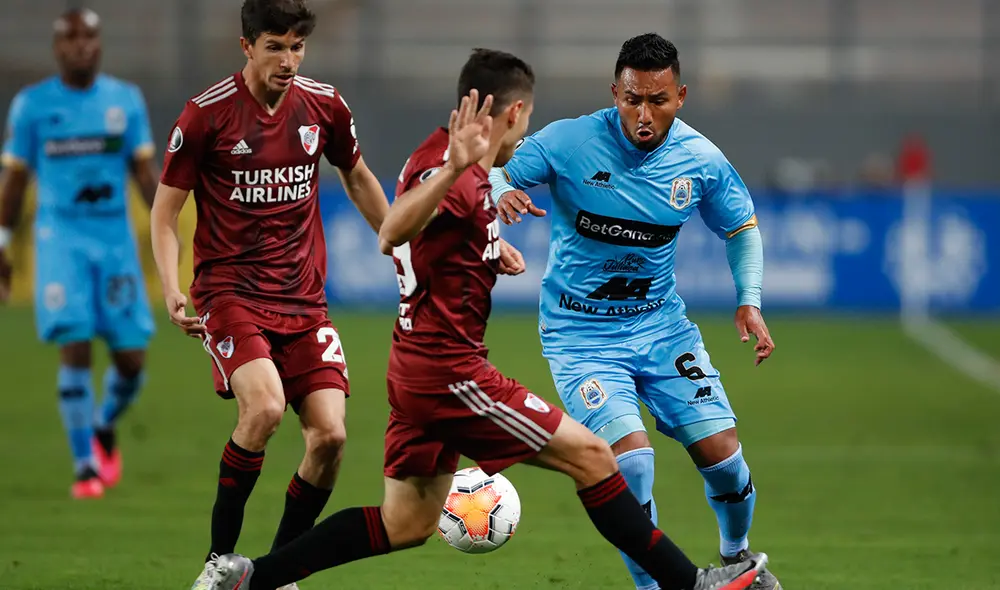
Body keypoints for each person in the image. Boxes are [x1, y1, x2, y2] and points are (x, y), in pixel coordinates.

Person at [207, 49, 767, 590]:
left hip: (414, 367)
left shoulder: (443, 159)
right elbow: (392, 230)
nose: (525, 139)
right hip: (451, 373)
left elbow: (435, 234)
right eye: (525, 123)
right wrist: (457, 173)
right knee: (595, 458)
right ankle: (691, 584)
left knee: (406, 523)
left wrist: (489, 244)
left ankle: (253, 578)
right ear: (515, 113)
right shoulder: (459, 172)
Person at [487, 33, 781, 590]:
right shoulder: (571, 141)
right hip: (581, 336)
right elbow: (496, 170)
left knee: (724, 456)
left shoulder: (701, 160)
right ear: (614, 93)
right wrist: (499, 195)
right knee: (632, 461)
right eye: (632, 99)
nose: (643, 114)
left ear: (681, 96)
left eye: (658, 100)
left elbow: (740, 227)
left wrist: (750, 299)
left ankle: (738, 559)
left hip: (661, 327)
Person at [149, 1, 390, 588]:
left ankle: (276, 572)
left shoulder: (325, 106)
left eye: (297, 47)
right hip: (228, 292)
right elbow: (165, 212)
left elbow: (356, 176)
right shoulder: (206, 116)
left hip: (304, 300)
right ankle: (217, 562)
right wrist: (171, 288)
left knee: (331, 436)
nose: (289, 60)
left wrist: (401, 246)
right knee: (264, 408)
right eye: (275, 47)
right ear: (247, 46)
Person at [0, 7, 159, 499]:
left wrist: (170, 226)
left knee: (132, 360)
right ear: (57, 47)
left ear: (99, 44)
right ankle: (85, 466)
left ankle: (104, 421)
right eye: (71, 38)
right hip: (60, 239)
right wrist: (2, 244)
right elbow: (16, 181)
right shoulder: (32, 106)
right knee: (76, 340)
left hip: (115, 241)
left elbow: (145, 176)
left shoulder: (124, 101)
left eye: (89, 37)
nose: (81, 46)